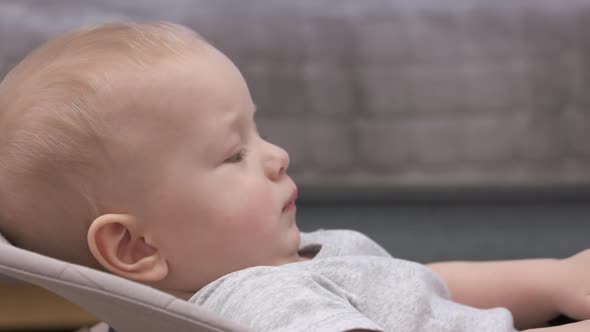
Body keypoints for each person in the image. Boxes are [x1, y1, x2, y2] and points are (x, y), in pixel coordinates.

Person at [0, 21, 589, 332]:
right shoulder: (259, 302)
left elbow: (418, 283)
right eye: (234, 154)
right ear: (135, 246)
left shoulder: (284, 261)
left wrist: (552, 280)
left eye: (257, 131)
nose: (277, 155)